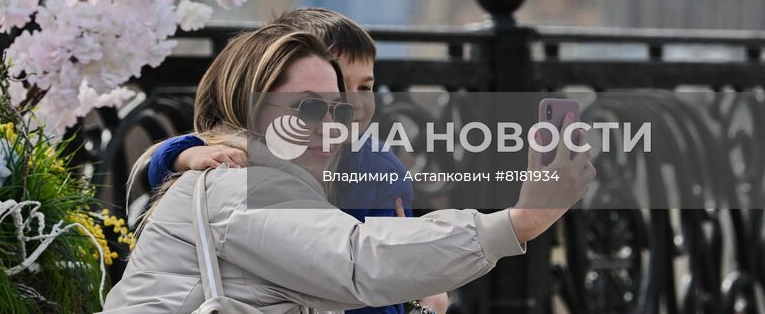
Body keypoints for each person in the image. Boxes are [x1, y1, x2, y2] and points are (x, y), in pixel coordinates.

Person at [100, 25, 595, 313]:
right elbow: (358, 259)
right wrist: (520, 221)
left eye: (337, 109)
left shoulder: (300, 182)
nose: (331, 125)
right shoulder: (238, 184)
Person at [144, 8, 444, 314]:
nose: (351, 103)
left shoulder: (378, 170)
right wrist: (187, 155)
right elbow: (164, 176)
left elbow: (387, 273)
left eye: (364, 88)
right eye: (335, 87)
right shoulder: (255, 153)